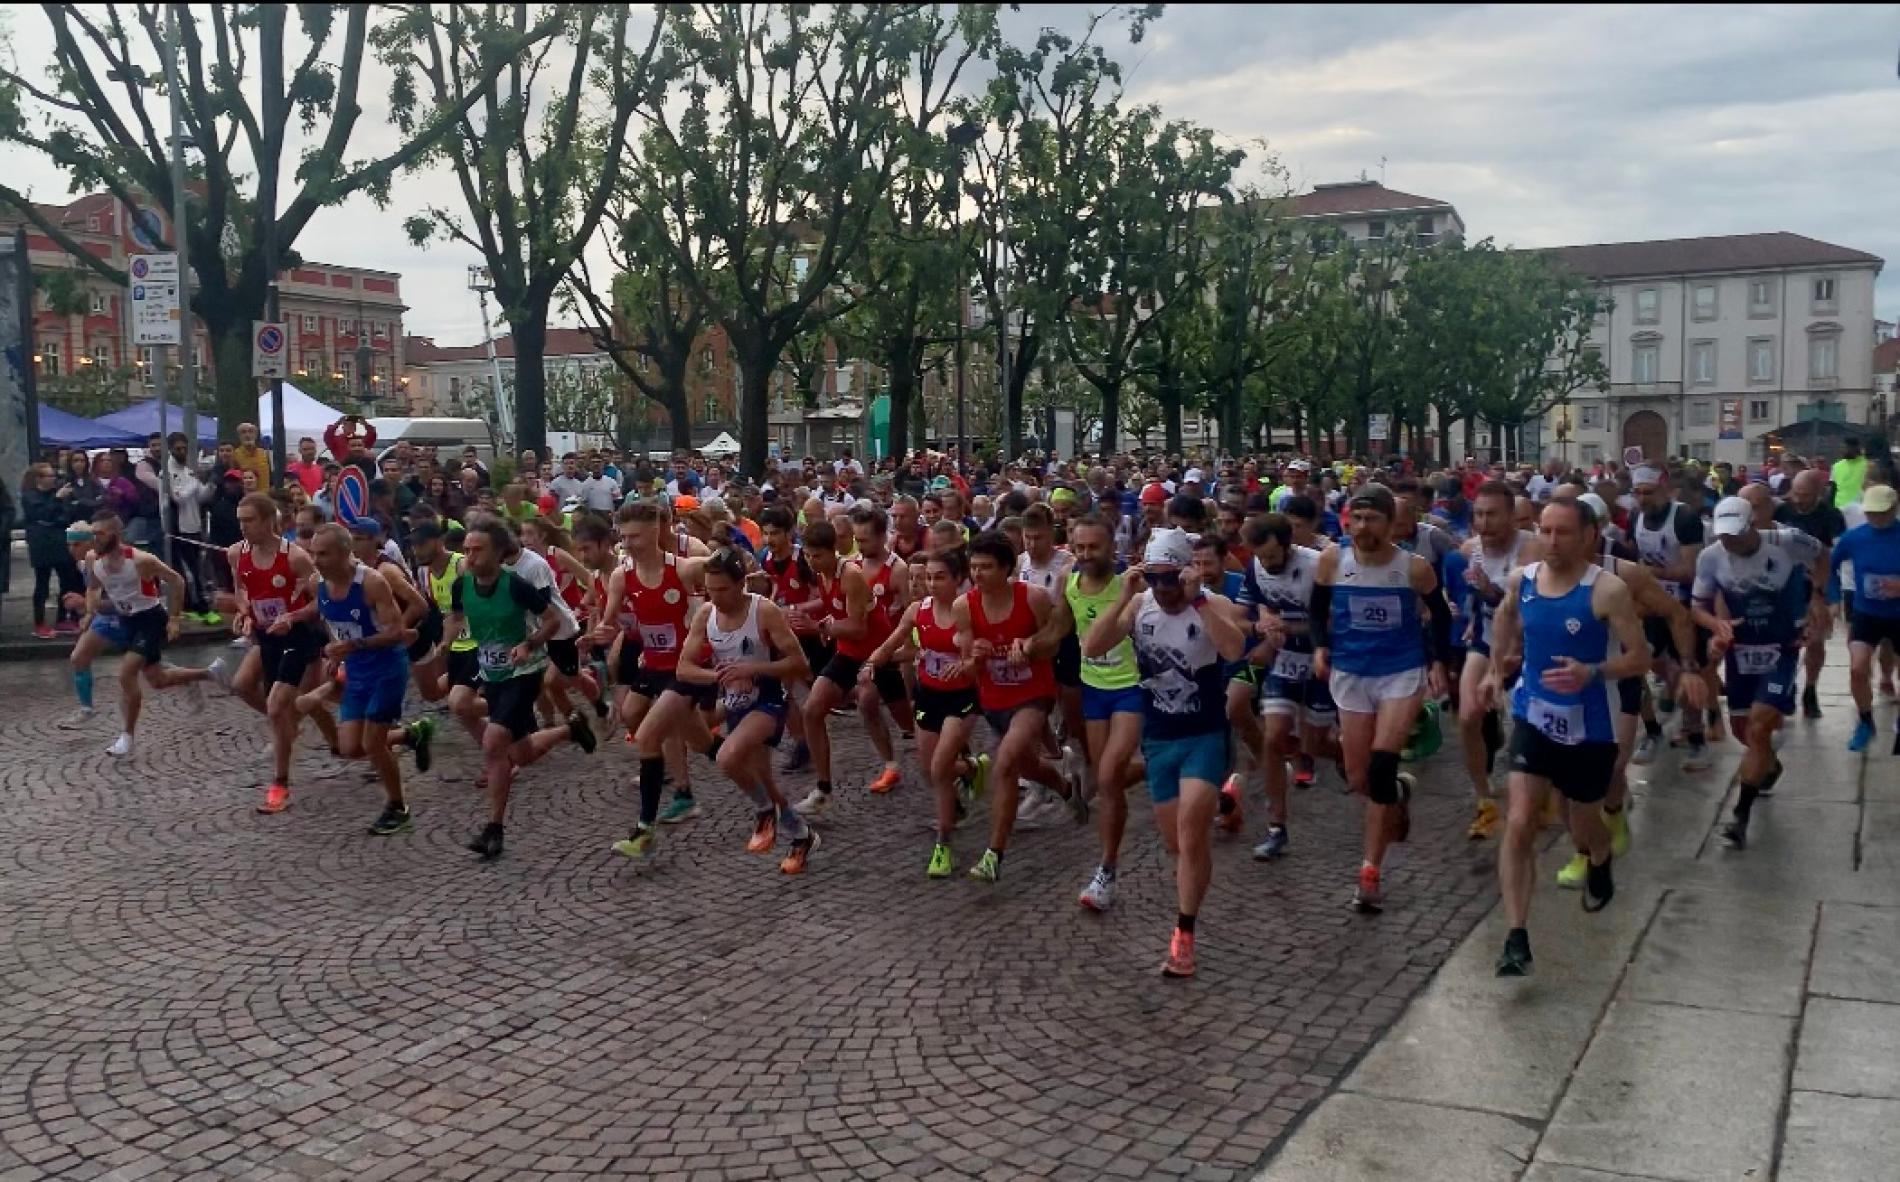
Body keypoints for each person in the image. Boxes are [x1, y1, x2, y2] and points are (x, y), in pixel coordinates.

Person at [1487, 497, 1650, 976]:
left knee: (1579, 821)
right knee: (1519, 821)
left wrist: (1592, 671)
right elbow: (1504, 617)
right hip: (1533, 715)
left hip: (1590, 726)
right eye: (1546, 531)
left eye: (1563, 533)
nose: (1552, 542)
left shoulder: (1608, 590)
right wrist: (1496, 670)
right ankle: (1516, 936)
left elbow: (1640, 658)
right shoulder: (1524, 580)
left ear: (1588, 538)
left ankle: (1599, 855)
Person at [1084, 528, 1248, 977]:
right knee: (1178, 844)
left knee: (1191, 832)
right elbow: (1092, 647)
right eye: (1154, 578)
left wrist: (1197, 602)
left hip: (1204, 734)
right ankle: (1227, 800)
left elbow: (1235, 649)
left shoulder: (1211, 603)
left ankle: (1184, 934)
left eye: (1170, 578)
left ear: (1187, 572)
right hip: (1159, 738)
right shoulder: (1141, 606)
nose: (1163, 589)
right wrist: (1123, 596)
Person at [1310, 483, 1454, 913]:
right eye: (1357, 517)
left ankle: (1370, 872)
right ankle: (1397, 796)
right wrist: (1321, 646)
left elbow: (1440, 616)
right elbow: (1317, 608)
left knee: (1381, 764)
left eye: (1373, 518)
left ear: (1392, 524)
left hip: (1400, 672)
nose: (1362, 526)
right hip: (1352, 672)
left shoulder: (1414, 568)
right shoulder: (1334, 559)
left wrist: (1437, 663)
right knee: (1358, 777)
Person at [444, 519, 597, 861]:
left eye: (478, 549)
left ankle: (493, 829)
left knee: (494, 742)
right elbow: (455, 619)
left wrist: (529, 645)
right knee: (521, 752)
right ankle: (569, 730)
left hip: (525, 672)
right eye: (466, 549)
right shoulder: (462, 584)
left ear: (499, 552)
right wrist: (445, 645)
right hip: (493, 672)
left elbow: (552, 620)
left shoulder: (515, 585)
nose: (470, 556)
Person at [675, 547, 819, 874]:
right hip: (738, 704)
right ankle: (801, 835)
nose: (715, 597)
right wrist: (721, 676)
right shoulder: (706, 614)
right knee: (763, 779)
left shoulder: (764, 611)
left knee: (727, 757)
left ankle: (763, 812)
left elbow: (799, 663)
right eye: (709, 590)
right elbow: (683, 668)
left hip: (770, 699)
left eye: (722, 589)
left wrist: (753, 669)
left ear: (741, 584)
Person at [1693, 497, 1824, 849]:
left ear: (1753, 525)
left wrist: (1817, 597)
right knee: (1748, 734)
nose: (1729, 542)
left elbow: (1822, 555)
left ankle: (1739, 816)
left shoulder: (1787, 541)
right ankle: (1768, 763)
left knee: (1759, 723)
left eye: (1735, 535)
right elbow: (1697, 607)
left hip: (1783, 646)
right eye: (1723, 536)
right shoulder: (1710, 557)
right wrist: (1716, 624)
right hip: (1741, 650)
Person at [955, 530, 1081, 883]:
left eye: (987, 567)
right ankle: (1066, 787)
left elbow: (1053, 646)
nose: (978, 574)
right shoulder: (965, 606)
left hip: (1033, 694)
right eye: (974, 567)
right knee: (1028, 765)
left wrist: (1028, 646)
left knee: (1006, 763)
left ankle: (994, 853)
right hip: (994, 699)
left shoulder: (1034, 598)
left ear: (1008, 568)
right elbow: (967, 667)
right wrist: (976, 659)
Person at [203, 494, 342, 813]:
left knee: (279, 705)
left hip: (299, 634)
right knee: (248, 688)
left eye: (249, 520)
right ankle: (307, 732)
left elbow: (321, 601)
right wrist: (243, 612)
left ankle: (280, 784)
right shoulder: (237, 553)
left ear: (269, 521)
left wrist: (292, 617)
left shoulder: (295, 558)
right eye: (240, 520)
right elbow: (242, 591)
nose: (243, 526)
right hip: (266, 636)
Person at [601, 501, 718, 861]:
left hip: (684, 667)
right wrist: (597, 635)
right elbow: (609, 622)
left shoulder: (684, 569)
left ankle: (644, 829)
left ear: (655, 530)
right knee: (645, 718)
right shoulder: (622, 575)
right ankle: (739, 766)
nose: (628, 544)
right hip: (651, 664)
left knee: (649, 734)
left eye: (634, 536)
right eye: (623, 537)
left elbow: (730, 568)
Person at [866, 548, 989, 878]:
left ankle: (943, 843)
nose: (932, 584)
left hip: (963, 698)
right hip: (929, 695)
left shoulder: (968, 612)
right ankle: (972, 768)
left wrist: (964, 666)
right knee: (929, 767)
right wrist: (872, 661)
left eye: (940, 577)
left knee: (939, 767)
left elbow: (978, 664)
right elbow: (891, 643)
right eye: (927, 578)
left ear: (958, 579)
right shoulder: (917, 611)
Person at [796, 506, 913, 812]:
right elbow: (833, 610)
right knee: (813, 710)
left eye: (817, 556)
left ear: (833, 551)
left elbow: (859, 628)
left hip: (877, 651)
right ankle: (823, 789)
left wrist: (821, 627)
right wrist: (811, 615)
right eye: (808, 556)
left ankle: (959, 756)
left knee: (909, 722)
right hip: (849, 653)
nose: (811, 562)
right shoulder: (822, 573)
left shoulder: (851, 574)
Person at [305, 523, 414, 835]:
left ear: (344, 553)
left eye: (323, 554)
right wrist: (337, 653)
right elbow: (332, 622)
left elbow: (396, 632)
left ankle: (398, 807)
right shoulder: (318, 583)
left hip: (387, 668)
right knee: (350, 747)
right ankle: (411, 735)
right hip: (356, 671)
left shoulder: (372, 582)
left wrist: (352, 646)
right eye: (313, 553)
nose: (316, 560)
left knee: (373, 744)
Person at [1237, 513, 1332, 862]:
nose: (1267, 564)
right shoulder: (1257, 565)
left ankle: (1345, 759)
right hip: (1286, 660)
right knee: (1274, 738)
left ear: (1288, 545)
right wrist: (1260, 624)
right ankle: (1277, 826)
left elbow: (1335, 621)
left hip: (1322, 660)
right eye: (1261, 557)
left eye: (1273, 557)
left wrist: (1288, 629)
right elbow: (1240, 611)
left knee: (1315, 744)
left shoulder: (1317, 566)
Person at [82, 510, 214, 758]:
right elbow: (93, 587)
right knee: (157, 679)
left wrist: (175, 618)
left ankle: (127, 736)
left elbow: (177, 581)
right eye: (93, 533)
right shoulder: (93, 560)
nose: (95, 539)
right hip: (128, 621)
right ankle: (208, 673)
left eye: (100, 533)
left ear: (116, 534)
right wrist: (90, 610)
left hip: (151, 619)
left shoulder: (141, 560)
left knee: (126, 674)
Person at [1455, 482, 1541, 841]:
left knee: (1538, 724)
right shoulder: (1468, 549)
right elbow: (1468, 598)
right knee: (1467, 715)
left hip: (1531, 644)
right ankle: (1485, 800)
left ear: (1511, 517)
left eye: (1492, 515)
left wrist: (1491, 591)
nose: (1484, 523)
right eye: (1478, 514)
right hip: (1489, 640)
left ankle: (1545, 791)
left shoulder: (1532, 548)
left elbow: (1528, 603)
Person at [1631, 465, 1713, 770]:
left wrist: (1654, 573)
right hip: (1652, 606)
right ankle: (1652, 731)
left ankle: (1697, 738)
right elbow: (1636, 557)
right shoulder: (1635, 517)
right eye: (1638, 493)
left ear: (1665, 489)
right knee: (1637, 667)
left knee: (1687, 672)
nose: (1643, 499)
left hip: (1683, 607)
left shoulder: (1684, 519)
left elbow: (1691, 571)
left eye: (1649, 493)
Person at [1829, 482, 1900, 754]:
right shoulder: (1855, 537)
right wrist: (1834, 599)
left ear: (1894, 509)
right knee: (1858, 669)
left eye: (1882, 513)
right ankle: (1865, 720)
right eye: (1871, 513)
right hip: (1866, 613)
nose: (1876, 519)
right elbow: (1830, 567)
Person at [1775, 469, 1848, 719]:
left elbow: (1835, 556)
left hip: (1819, 580)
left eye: (1805, 495)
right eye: (1795, 493)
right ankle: (1786, 686)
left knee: (1816, 640)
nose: (1798, 499)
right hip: (1786, 583)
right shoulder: (1782, 511)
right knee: (1786, 638)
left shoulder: (1831, 516)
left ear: (1818, 493)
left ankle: (1811, 689)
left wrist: (1829, 594)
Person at [23, 463, 83, 638]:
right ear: (39, 479)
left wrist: (55, 510)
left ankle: (63, 617)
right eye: (49, 476)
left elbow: (64, 515)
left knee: (68, 579)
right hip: (41, 543)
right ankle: (39, 622)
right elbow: (41, 515)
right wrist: (56, 500)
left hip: (59, 540)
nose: (53, 479)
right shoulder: (30, 496)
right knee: (43, 583)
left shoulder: (55, 494)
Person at [1831, 436, 1869, 509]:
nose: (1842, 450)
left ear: (1855, 448)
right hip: (1839, 509)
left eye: (1845, 448)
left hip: (1861, 509)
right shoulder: (1836, 466)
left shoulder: (1868, 465)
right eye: (1842, 447)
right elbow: (1833, 490)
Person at [232, 422, 273, 488]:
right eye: (243, 432)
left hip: (264, 495)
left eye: (250, 432)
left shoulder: (264, 453)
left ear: (255, 435)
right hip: (246, 496)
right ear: (239, 436)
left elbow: (271, 477)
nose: (247, 435)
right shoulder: (235, 455)